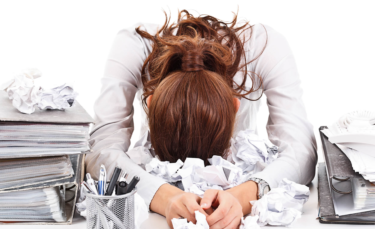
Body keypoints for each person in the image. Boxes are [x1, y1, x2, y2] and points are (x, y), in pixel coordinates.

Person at [86, 10, 317, 229]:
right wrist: (165, 196)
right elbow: (100, 150)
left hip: (238, 179)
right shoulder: (135, 46)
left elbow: (302, 151)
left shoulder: (262, 47)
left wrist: (243, 195)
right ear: (152, 103)